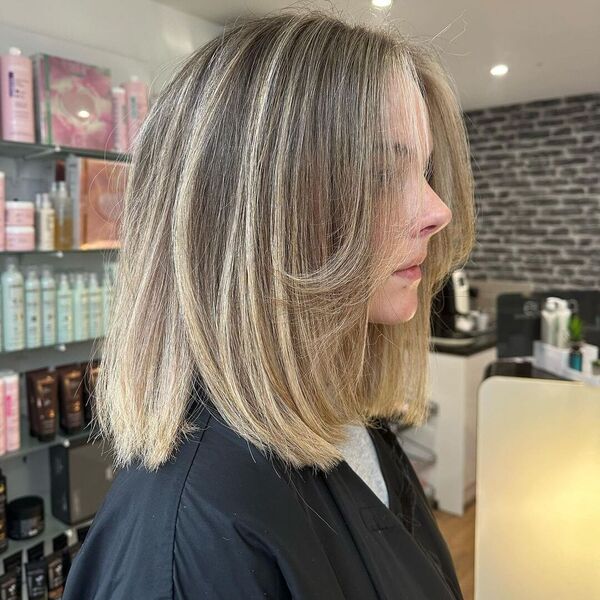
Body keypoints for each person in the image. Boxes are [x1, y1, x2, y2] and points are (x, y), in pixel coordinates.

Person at [63, 9, 475, 599]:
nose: (439, 211)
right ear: (255, 217)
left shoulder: (342, 418)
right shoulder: (192, 552)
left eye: (425, 170)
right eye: (384, 171)